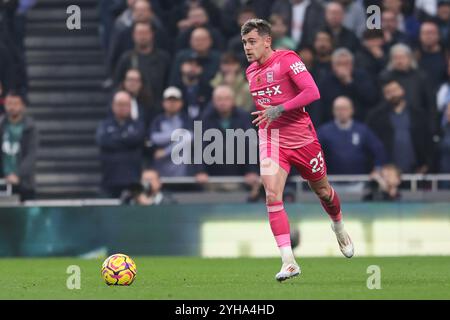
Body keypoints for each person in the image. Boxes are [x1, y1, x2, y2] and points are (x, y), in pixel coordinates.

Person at [241, 19, 354, 282]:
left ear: (267, 41)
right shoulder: (249, 72)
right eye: (245, 42)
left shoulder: (287, 59)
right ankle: (288, 261)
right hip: (272, 139)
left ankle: (338, 226)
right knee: (271, 194)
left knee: (324, 192)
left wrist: (279, 109)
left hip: (302, 139)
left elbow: (312, 92)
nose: (247, 47)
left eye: (252, 41)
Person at [367, 80, 432, 174]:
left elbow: (428, 140)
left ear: (402, 90)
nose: (393, 94)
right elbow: (371, 143)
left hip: (416, 170)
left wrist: (426, 164)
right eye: (388, 92)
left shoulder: (418, 115)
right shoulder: (376, 117)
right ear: (384, 95)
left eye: (395, 90)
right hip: (387, 173)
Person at [317, 96, 387, 175]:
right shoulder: (324, 131)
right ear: (333, 111)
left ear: (352, 110)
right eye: (338, 109)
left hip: (359, 181)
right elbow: (313, 152)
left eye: (344, 108)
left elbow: (378, 149)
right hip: (332, 181)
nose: (341, 112)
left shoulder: (362, 130)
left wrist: (378, 169)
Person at [96, 91, 145, 198]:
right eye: (119, 104)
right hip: (109, 180)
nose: (122, 107)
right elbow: (103, 141)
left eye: (125, 104)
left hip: (133, 181)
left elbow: (137, 139)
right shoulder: (104, 125)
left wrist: (115, 138)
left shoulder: (138, 125)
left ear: (130, 106)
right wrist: (126, 140)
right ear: (113, 106)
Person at [0, 93, 38, 201]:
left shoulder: (30, 127)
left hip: (24, 185)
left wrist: (17, 174)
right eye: (9, 103)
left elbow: (31, 155)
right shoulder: (1, 125)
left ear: (22, 105)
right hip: (3, 183)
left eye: (15, 103)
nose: (12, 107)